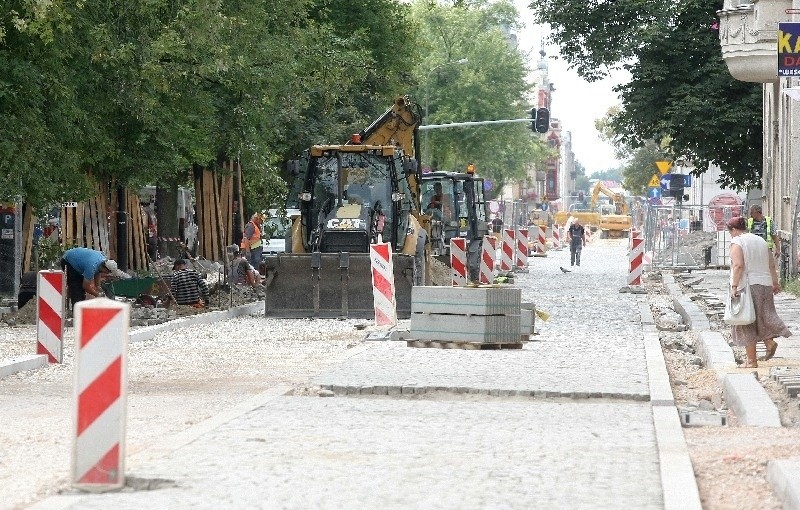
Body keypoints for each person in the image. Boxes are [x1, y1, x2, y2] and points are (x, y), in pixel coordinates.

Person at [727, 216, 791, 368]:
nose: (730, 235)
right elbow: (771, 264)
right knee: (760, 318)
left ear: (734, 229)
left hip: (748, 285)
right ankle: (768, 342)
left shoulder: (737, 242)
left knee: (746, 322)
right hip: (764, 284)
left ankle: (751, 361)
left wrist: (734, 286)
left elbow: (738, 266)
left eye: (730, 232)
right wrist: (775, 283)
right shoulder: (761, 241)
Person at [61, 247, 129, 308]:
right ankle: (76, 313)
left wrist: (98, 286)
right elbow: (86, 287)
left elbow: (98, 272)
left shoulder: (102, 260)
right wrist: (98, 295)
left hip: (79, 259)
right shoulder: (91, 267)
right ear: (105, 268)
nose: (107, 274)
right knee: (77, 287)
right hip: (68, 260)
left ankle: (80, 308)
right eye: (107, 272)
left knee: (81, 289)